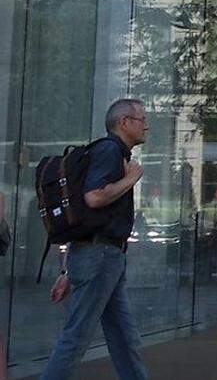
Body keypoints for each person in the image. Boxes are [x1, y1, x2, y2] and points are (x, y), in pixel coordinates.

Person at [42, 99, 150, 380]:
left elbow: (86, 218)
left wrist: (68, 270)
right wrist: (131, 179)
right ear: (124, 122)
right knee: (77, 336)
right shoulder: (109, 151)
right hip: (100, 256)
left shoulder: (112, 152)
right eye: (141, 119)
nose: (146, 126)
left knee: (125, 338)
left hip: (105, 256)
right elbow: (94, 197)